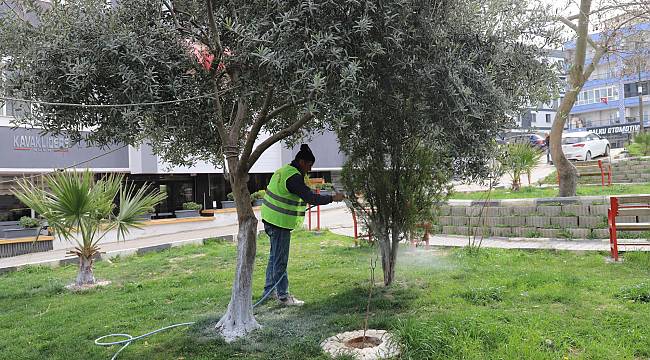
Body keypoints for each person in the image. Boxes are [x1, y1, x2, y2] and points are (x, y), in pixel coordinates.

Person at [260, 144, 345, 306]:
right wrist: (333, 198)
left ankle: (269, 291)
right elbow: (310, 198)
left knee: (274, 257)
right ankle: (283, 296)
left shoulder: (284, 171)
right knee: (280, 260)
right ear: (301, 161)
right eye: (309, 165)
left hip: (270, 219)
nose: (310, 169)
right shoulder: (294, 177)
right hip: (279, 223)